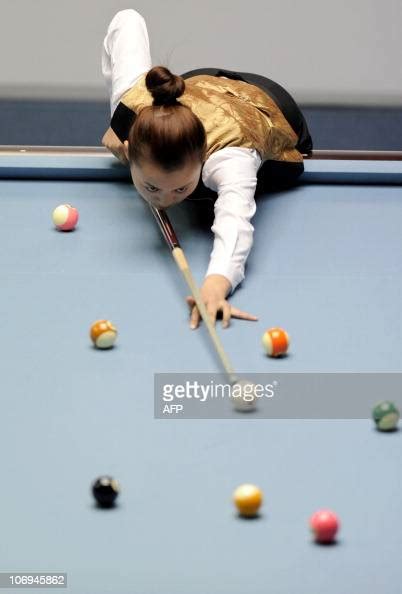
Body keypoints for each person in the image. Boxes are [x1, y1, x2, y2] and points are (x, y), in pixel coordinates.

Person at [101, 9, 313, 330]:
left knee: (266, 175)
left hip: (270, 109)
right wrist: (117, 125)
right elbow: (126, 19)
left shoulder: (231, 158)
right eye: (152, 188)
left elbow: (235, 220)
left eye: (182, 189)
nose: (165, 200)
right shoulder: (134, 104)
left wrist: (217, 282)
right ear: (130, 152)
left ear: (201, 159)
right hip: (196, 87)